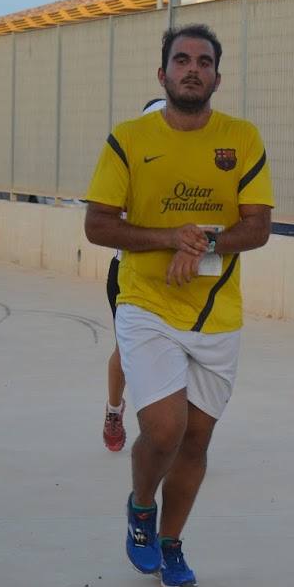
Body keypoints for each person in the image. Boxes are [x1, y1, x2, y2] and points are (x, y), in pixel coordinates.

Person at [84, 24, 274, 587]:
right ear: (162, 72)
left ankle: (171, 545)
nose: (193, 69)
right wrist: (171, 237)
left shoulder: (241, 138)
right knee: (164, 430)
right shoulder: (128, 138)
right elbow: (98, 224)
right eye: (182, 59)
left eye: (204, 61)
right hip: (146, 304)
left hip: (217, 315)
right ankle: (141, 506)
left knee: (196, 441)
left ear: (218, 75)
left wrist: (206, 243)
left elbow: (258, 227)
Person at [102, 97, 167, 453]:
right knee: (128, 352)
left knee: (178, 354)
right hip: (128, 274)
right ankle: (114, 410)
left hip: (177, 278)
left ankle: (169, 431)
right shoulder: (126, 167)